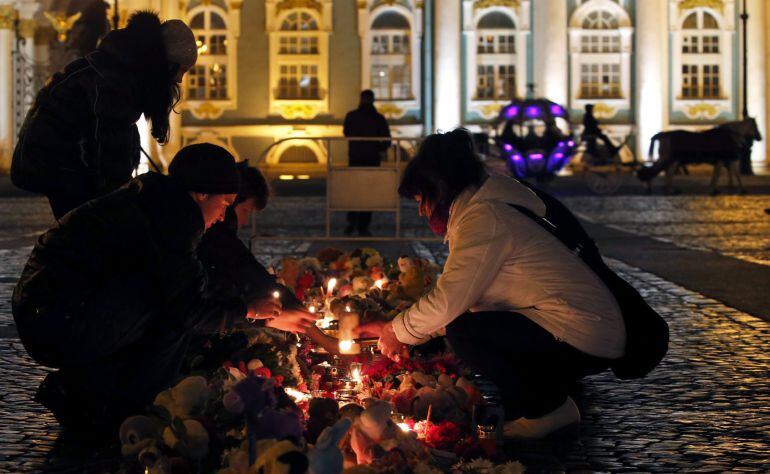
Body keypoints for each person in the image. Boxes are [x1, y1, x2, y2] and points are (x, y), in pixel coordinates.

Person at [354, 129, 626, 440]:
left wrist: (395, 332)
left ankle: (548, 410)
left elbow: (449, 300)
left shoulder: (485, 218)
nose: (421, 211)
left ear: (440, 189)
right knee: (467, 323)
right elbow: (467, 297)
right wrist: (409, 330)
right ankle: (535, 401)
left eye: (421, 199)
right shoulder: (487, 204)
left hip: (581, 331)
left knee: (466, 332)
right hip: (574, 323)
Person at [12, 144, 304, 430]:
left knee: (182, 297)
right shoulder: (172, 220)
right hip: (56, 319)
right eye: (225, 204)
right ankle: (123, 411)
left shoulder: (161, 202)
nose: (222, 216)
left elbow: (202, 275)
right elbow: (186, 309)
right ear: (201, 193)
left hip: (54, 309)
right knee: (176, 314)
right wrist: (249, 310)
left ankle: (91, 390)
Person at [11, 11, 197, 219]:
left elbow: (118, 137)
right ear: (164, 63)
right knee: (87, 231)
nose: (180, 80)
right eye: (180, 70)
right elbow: (110, 147)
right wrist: (119, 200)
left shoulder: (120, 67)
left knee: (84, 231)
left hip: (56, 161)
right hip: (56, 163)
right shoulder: (116, 79)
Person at [196, 163, 336, 352]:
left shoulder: (212, 234)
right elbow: (251, 277)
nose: (244, 222)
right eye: (245, 211)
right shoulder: (216, 237)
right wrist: (323, 339)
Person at [342, 89, 391, 236]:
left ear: (361, 99)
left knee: (354, 192)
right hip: (371, 159)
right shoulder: (378, 118)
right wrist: (377, 148)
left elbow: (346, 133)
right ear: (373, 100)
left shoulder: (351, 116)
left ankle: (352, 223)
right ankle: (363, 226)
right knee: (368, 193)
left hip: (355, 158)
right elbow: (387, 139)